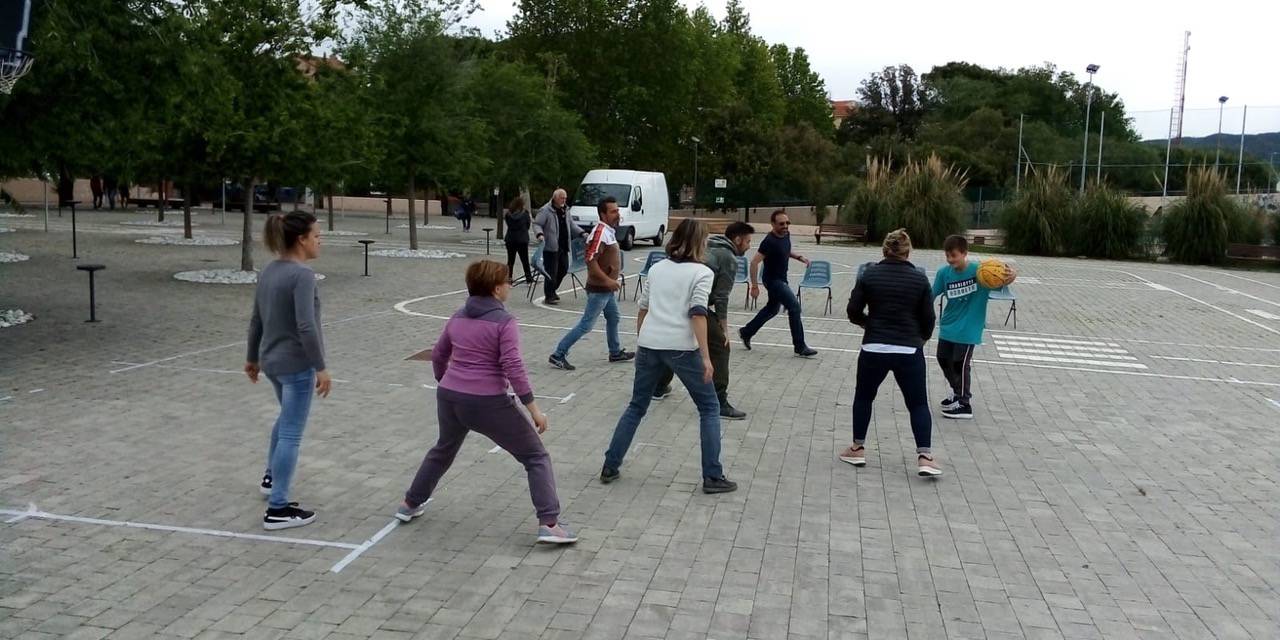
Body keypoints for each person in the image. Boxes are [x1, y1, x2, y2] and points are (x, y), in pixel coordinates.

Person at [396, 260, 578, 545]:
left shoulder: (458, 316)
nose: (509, 287)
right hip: (487, 401)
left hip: (450, 397)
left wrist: (446, 380)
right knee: (535, 456)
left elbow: (439, 353)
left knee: (443, 448)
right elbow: (513, 366)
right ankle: (550, 523)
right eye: (507, 282)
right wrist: (534, 410)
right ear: (496, 289)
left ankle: (409, 503)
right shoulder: (505, 322)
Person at [601, 219, 738, 494]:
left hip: (650, 343)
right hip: (682, 348)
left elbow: (643, 308)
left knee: (637, 406)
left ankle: (610, 465)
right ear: (700, 242)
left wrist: (643, 340)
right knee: (709, 408)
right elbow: (698, 313)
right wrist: (706, 358)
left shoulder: (657, 268)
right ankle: (713, 475)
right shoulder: (702, 273)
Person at [245, 211, 331, 530]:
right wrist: (320, 367)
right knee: (292, 432)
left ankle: (271, 477)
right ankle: (278, 508)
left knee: (285, 419)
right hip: (296, 365)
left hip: (271, 362)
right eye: (317, 236)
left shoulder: (268, 271)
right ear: (301, 239)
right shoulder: (302, 276)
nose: (320, 241)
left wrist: (252, 357)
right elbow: (306, 326)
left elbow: (256, 319)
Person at [839, 229, 941, 477]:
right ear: (908, 251)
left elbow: (853, 310)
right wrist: (921, 338)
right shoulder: (919, 279)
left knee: (864, 397)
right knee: (917, 403)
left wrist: (867, 323)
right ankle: (925, 456)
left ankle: (857, 448)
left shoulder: (869, 275)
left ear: (884, 250)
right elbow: (928, 318)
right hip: (908, 347)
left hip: (874, 346)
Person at [652, 221, 754, 420]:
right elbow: (722, 297)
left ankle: (658, 386)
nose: (749, 246)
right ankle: (719, 401)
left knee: (675, 342)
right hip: (693, 306)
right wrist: (724, 329)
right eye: (748, 241)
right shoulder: (728, 258)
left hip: (675, 303)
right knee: (720, 346)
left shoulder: (707, 246)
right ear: (738, 240)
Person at [932, 234, 1017, 420]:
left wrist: (1011, 276)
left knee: (960, 364)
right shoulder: (943, 273)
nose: (950, 259)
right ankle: (957, 392)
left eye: (954, 255)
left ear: (964, 253)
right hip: (948, 326)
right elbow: (931, 294)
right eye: (947, 256)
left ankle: (964, 403)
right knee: (943, 359)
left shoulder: (981, 272)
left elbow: (1002, 282)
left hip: (969, 328)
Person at [547, 197, 634, 370]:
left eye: (617, 210)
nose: (617, 214)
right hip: (599, 289)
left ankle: (615, 352)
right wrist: (608, 280)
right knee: (586, 325)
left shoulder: (608, 231)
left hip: (605, 289)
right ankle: (558, 354)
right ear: (603, 214)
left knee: (614, 317)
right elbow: (590, 260)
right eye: (613, 211)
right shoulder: (600, 232)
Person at [739, 210, 817, 357]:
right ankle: (800, 346)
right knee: (794, 307)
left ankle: (746, 332)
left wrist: (800, 257)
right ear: (773, 224)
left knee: (772, 309)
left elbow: (785, 251)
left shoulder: (786, 235)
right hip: (773, 281)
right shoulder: (769, 241)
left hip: (782, 278)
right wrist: (754, 286)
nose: (785, 226)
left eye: (787, 223)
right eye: (781, 224)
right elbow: (754, 262)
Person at [532, 189, 582, 305]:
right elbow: (537, 224)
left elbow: (572, 225)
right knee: (551, 272)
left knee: (563, 269)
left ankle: (552, 290)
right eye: (561, 198)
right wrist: (539, 234)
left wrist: (581, 233)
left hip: (563, 245)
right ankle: (549, 296)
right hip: (550, 247)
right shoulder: (546, 210)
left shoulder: (566, 210)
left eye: (565, 198)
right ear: (554, 198)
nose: (564, 200)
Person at [503, 196, 533, 284]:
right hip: (522, 239)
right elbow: (528, 225)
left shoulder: (508, 214)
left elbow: (508, 224)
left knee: (510, 260)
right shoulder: (525, 214)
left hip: (510, 239)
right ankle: (528, 278)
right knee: (525, 260)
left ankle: (509, 278)